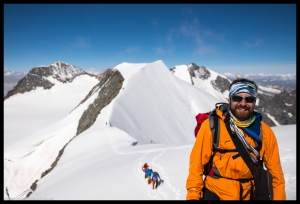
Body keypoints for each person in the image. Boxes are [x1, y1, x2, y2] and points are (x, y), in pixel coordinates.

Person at [186, 78, 286, 200]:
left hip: (249, 194)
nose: (243, 103)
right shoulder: (212, 126)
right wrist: (193, 196)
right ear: (230, 100)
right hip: (216, 193)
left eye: (249, 99)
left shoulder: (264, 132)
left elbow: (276, 175)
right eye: (237, 98)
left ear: (255, 101)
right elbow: (196, 166)